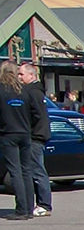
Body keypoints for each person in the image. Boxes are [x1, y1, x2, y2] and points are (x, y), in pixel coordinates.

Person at [2, 60, 36, 220]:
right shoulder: (25, 91)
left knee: (15, 171)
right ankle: (29, 208)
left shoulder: (2, 91)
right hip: (25, 133)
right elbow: (35, 112)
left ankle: (21, 209)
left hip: (8, 134)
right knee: (27, 171)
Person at [19, 62, 52, 216]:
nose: (19, 77)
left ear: (31, 75)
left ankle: (44, 205)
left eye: (21, 74)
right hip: (37, 134)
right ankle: (39, 203)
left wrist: (29, 130)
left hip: (35, 136)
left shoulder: (32, 92)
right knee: (34, 169)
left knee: (37, 170)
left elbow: (37, 116)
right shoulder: (36, 91)